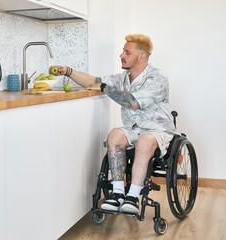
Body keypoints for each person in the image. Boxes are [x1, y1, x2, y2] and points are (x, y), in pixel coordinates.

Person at [50, 34, 176, 215]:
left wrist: (105, 88)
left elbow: (132, 102)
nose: (121, 55)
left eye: (127, 52)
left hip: (157, 130)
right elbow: (94, 81)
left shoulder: (157, 78)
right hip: (133, 129)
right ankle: (118, 194)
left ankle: (132, 197)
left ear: (142, 56)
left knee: (145, 141)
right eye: (123, 51)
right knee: (115, 134)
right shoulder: (122, 78)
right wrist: (69, 71)